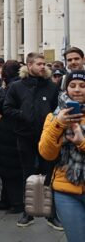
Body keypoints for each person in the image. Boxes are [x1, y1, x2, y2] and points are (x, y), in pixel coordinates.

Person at [3, 52, 60, 229]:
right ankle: (28, 213)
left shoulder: (51, 87)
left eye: (44, 64)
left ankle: (51, 214)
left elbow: (56, 109)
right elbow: (7, 108)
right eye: (39, 64)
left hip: (47, 138)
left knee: (48, 174)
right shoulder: (17, 87)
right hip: (25, 137)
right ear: (29, 66)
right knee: (27, 174)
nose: (43, 67)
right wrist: (23, 115)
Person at [39, 71, 85, 242]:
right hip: (66, 192)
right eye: (72, 86)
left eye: (82, 86)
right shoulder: (53, 117)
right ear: (66, 89)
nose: (77, 90)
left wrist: (81, 143)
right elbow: (46, 153)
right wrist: (59, 124)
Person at [0, 60, 24, 214]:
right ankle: (6, 199)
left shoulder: (13, 87)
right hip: (11, 131)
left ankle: (16, 203)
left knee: (10, 169)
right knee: (8, 169)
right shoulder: (19, 84)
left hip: (9, 131)